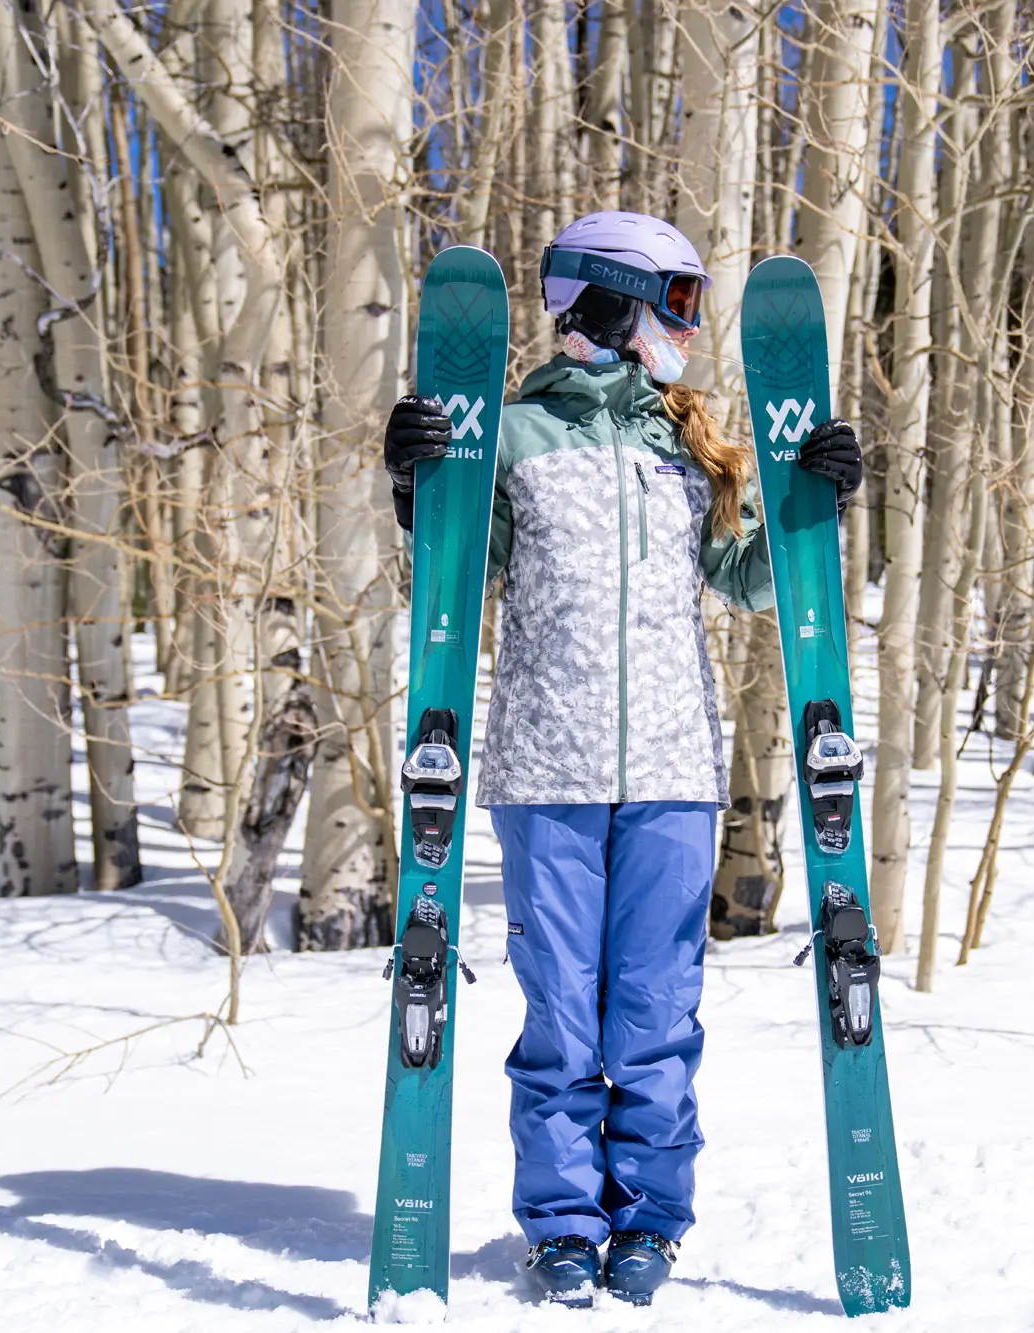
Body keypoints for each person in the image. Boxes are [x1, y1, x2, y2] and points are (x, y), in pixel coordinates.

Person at [384, 212, 862, 1308]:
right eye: (678, 301)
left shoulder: (681, 442)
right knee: (561, 1010)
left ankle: (648, 1217)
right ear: (608, 302)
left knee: (653, 1012)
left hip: (672, 769)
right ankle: (558, 1223)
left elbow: (748, 581)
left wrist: (816, 502)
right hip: (544, 769)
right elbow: (461, 571)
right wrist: (420, 487)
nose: (688, 329)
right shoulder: (505, 436)